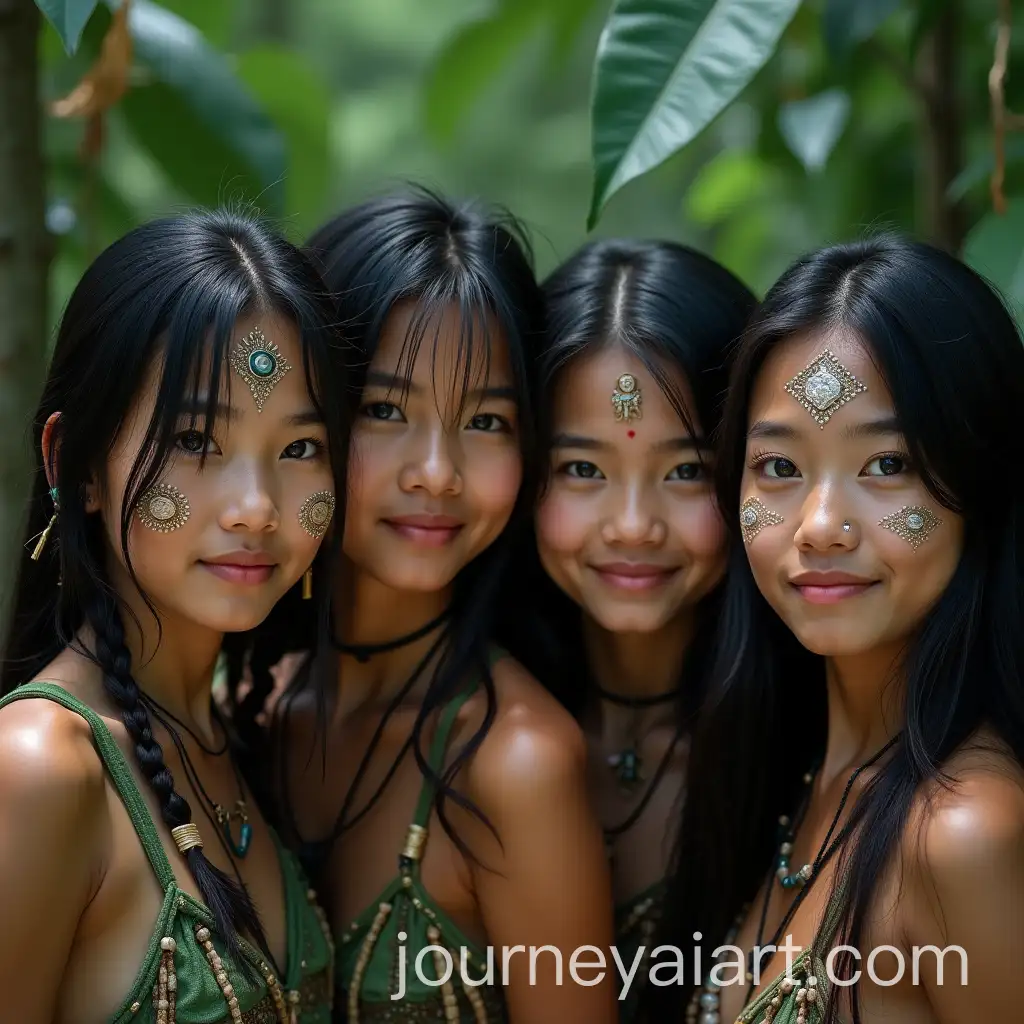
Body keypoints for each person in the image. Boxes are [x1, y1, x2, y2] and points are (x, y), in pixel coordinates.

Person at [253, 187, 619, 1024]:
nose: (437, 472)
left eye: (485, 420)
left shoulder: (513, 764)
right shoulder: (257, 707)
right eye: (385, 410)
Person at [658, 235, 1024, 1024]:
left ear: (981, 478)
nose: (821, 526)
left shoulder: (965, 836)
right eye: (780, 469)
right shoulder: (782, 771)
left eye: (887, 465)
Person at [0, 210, 350, 1024]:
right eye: (197, 438)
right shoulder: (40, 769)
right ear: (74, 463)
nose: (257, 508)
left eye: (300, 449)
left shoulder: (237, 738)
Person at [502, 238, 756, 1019]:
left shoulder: (816, 750)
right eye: (583, 470)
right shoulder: (478, 735)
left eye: (687, 472)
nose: (635, 527)